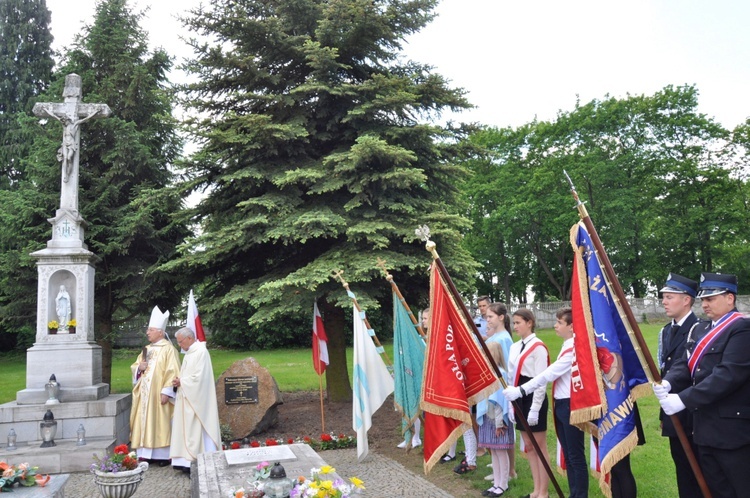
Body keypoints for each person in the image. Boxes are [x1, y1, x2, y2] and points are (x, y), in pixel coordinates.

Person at [655, 272, 750, 498]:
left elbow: (727, 375)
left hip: (731, 431)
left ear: (730, 298)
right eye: (703, 300)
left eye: (711, 299)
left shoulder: (742, 329)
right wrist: (669, 382)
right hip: (703, 428)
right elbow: (685, 364)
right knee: (714, 489)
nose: (705, 304)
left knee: (738, 490)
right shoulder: (700, 329)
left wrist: (683, 399)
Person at [504, 307, 588, 498]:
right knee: (569, 453)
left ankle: (576, 494)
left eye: (559, 322)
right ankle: (569, 493)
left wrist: (522, 391)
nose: (555, 325)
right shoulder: (567, 344)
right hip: (560, 402)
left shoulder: (573, 346)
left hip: (569, 403)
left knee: (575, 456)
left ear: (571, 326)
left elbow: (548, 373)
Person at [656, 273, 701, 498]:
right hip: (671, 410)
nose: (664, 301)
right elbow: (663, 366)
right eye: (663, 297)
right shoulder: (665, 331)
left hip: (692, 410)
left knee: (699, 471)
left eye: (669, 296)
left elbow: (689, 368)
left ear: (686, 299)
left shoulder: (700, 329)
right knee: (682, 468)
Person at [130, 306, 180, 465]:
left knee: (160, 421)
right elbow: (136, 366)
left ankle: (163, 455)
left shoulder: (169, 350)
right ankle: (145, 454)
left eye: (150, 330)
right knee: (144, 421)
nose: (147, 333)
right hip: (144, 395)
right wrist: (139, 369)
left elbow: (173, 371)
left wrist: (167, 391)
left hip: (159, 394)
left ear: (160, 331)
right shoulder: (146, 349)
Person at [508, 308, 550, 498]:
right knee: (528, 443)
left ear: (529, 323)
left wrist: (535, 409)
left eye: (518, 322)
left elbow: (541, 380)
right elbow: (511, 375)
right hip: (519, 394)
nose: (515, 326)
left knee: (539, 444)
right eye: (514, 323)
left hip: (534, 395)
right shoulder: (516, 346)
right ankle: (536, 489)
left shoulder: (538, 347)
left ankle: (544, 491)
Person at [170, 327, 222, 475]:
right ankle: (184, 461)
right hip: (186, 396)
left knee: (196, 428)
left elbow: (200, 378)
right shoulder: (189, 353)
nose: (179, 345)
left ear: (190, 338)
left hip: (197, 399)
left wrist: (183, 382)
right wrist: (179, 381)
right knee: (186, 428)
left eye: (181, 341)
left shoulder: (201, 352)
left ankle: (197, 460)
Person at [483, 302, 516, 481]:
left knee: (504, 431)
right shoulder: (495, 336)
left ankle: (510, 471)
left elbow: (504, 365)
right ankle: (501, 468)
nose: (487, 320)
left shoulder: (503, 339)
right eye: (487, 317)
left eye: (490, 316)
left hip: (500, 391)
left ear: (501, 317)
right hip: (491, 388)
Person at [479, 341, 513, 497]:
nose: (485, 356)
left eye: (488, 353)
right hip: (488, 418)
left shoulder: (500, 374)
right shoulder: (486, 374)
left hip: (498, 420)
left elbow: (500, 402)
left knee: (500, 451)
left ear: (496, 355)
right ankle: (496, 483)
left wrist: (500, 423)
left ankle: (503, 484)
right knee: (493, 451)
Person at [396, 308, 427, 450]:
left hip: (425, 378)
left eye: (426, 318)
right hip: (413, 376)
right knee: (411, 404)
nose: (424, 321)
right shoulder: (419, 338)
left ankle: (417, 437)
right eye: (423, 319)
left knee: (421, 409)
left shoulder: (427, 339)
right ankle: (412, 436)